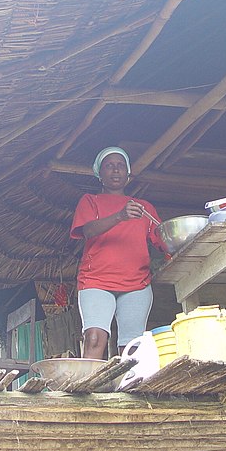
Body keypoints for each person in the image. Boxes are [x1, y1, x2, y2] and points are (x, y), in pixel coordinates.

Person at [70, 147, 164, 359]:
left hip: (137, 284)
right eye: (109, 166)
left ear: (128, 174)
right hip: (96, 280)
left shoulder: (144, 207)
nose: (115, 170)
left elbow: (162, 241)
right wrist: (120, 216)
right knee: (94, 337)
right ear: (99, 174)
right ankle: (86, 389)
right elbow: (88, 230)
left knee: (132, 347)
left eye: (120, 166)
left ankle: (129, 389)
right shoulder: (90, 201)